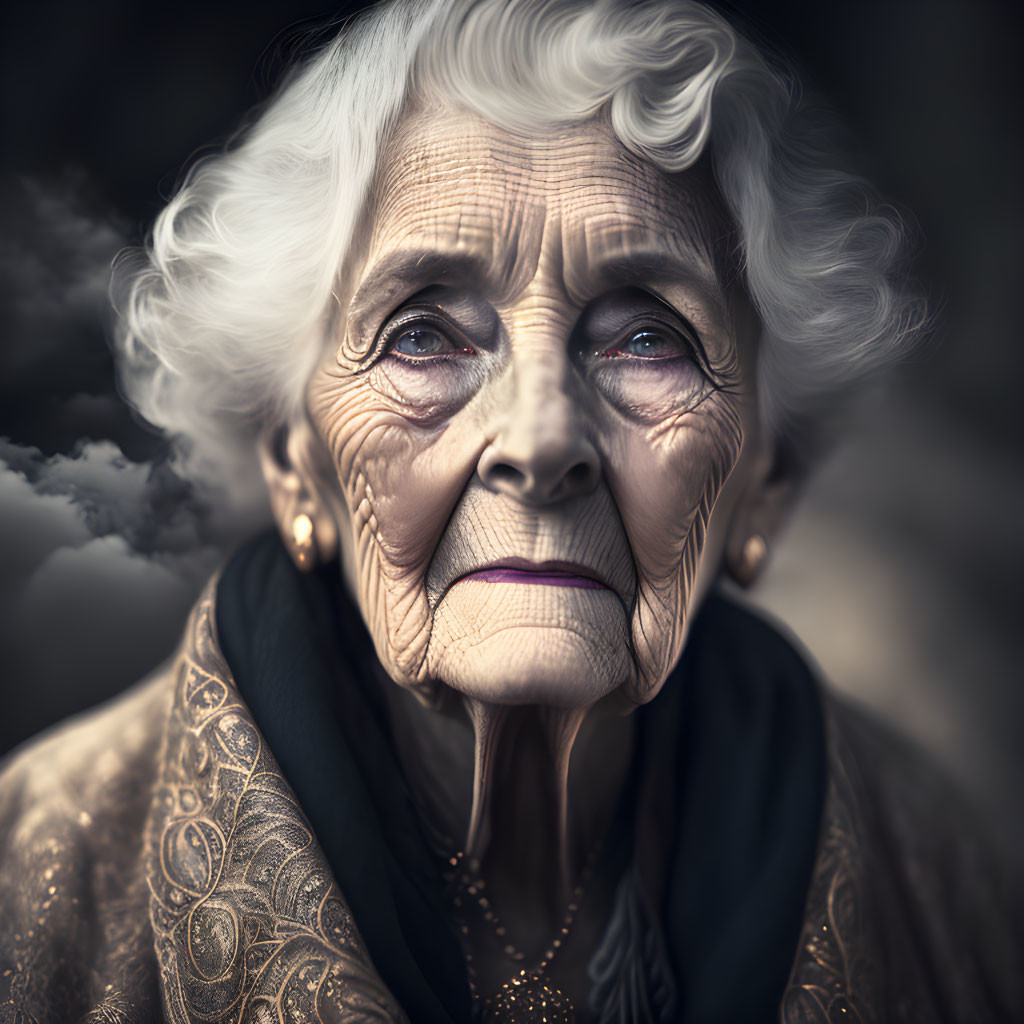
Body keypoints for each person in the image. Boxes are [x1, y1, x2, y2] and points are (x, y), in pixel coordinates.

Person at [0, 1, 1019, 1021]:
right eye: (423, 336)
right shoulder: (36, 876)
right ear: (295, 464)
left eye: (649, 340)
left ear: (765, 481)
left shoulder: (932, 866)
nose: (539, 439)